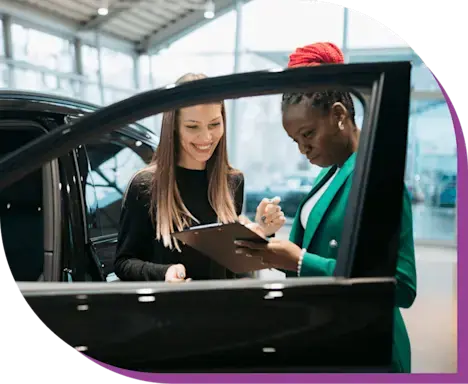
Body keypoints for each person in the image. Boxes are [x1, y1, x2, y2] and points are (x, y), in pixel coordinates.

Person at [235, 42, 417, 373]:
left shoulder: (377, 177)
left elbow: (402, 286)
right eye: (295, 140)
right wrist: (268, 244)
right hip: (330, 337)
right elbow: (314, 253)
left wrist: (301, 261)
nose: (303, 148)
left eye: (308, 134)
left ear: (338, 115)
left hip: (367, 351)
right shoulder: (331, 173)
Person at [114, 73, 286, 283]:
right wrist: (164, 273)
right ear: (174, 126)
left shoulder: (233, 181)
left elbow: (234, 264)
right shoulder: (145, 186)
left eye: (214, 125)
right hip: (169, 311)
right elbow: (124, 263)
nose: (206, 138)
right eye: (193, 127)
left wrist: (261, 233)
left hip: (222, 309)